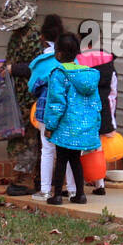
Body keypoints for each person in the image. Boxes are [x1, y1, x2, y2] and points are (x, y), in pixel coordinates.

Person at [41, 33, 101, 205]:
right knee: (75, 159)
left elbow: (56, 103)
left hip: (64, 126)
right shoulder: (88, 74)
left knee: (61, 160)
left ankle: (57, 195)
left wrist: (50, 125)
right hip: (82, 127)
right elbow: (95, 103)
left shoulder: (59, 74)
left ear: (58, 54)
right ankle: (80, 194)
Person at [0, 0, 43, 196]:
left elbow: (38, 67)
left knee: (29, 139)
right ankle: (26, 175)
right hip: (18, 94)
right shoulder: (18, 35)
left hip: (31, 96)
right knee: (20, 136)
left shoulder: (34, 36)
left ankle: (28, 179)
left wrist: (12, 68)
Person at [28, 14, 72, 201]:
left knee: (47, 149)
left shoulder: (41, 62)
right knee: (70, 150)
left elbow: (32, 87)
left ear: (43, 37)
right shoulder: (74, 61)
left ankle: (45, 189)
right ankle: (73, 189)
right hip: (69, 111)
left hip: (46, 112)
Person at [77, 47, 119, 196]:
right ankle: (99, 183)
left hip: (84, 108)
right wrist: (111, 115)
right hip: (103, 108)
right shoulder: (108, 61)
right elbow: (113, 91)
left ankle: (78, 183)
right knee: (98, 146)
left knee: (78, 146)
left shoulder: (78, 59)